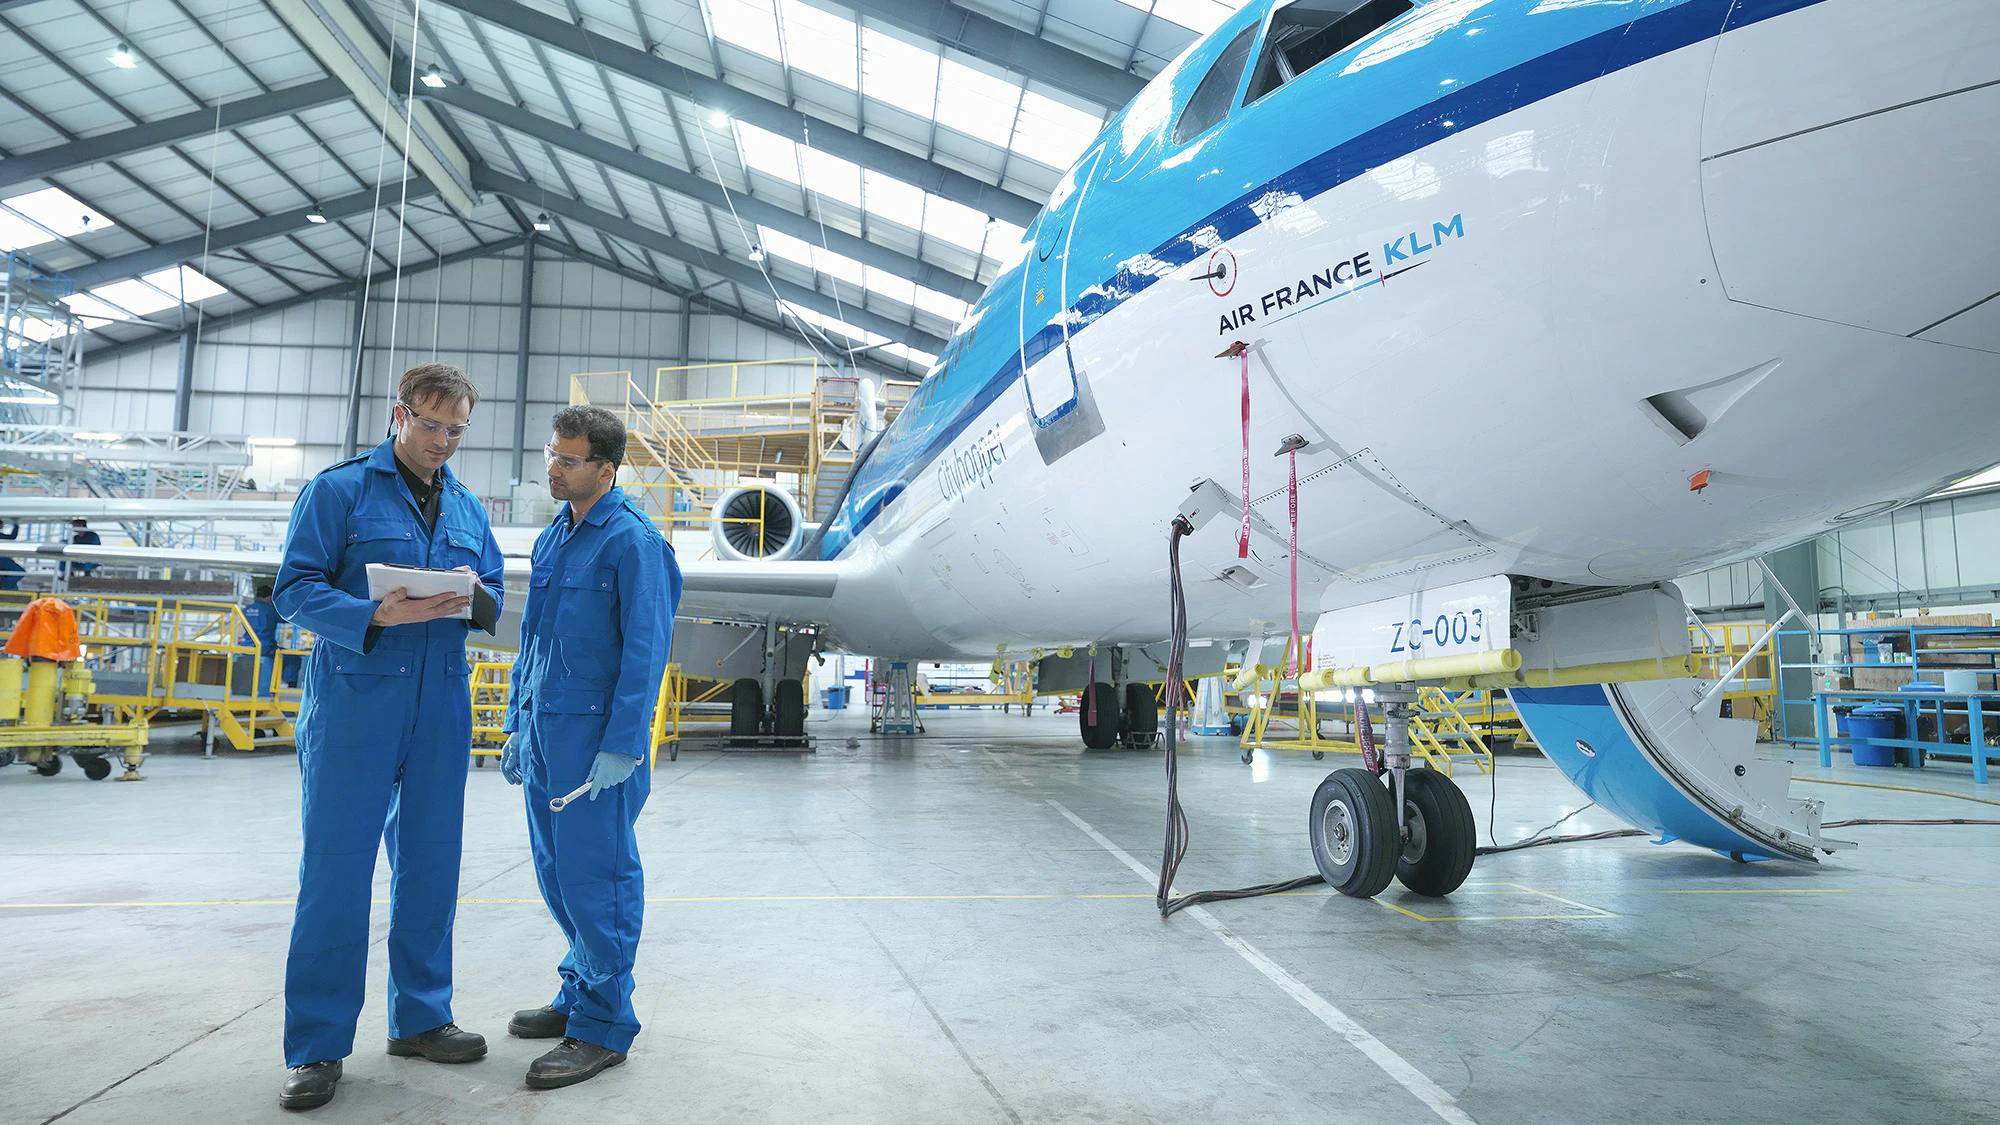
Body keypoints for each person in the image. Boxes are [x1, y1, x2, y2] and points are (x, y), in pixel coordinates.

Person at [271, 364, 505, 1111]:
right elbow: (295, 587)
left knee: (433, 865)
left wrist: (473, 593)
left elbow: (493, 592)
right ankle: (315, 1045)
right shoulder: (337, 491)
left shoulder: (468, 505)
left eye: (457, 430)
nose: (443, 441)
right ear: (397, 415)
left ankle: (422, 1016)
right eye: (431, 425)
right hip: (354, 705)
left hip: (440, 707)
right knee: (337, 874)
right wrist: (371, 615)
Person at [500, 405, 680, 1090]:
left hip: (596, 749)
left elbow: (646, 653)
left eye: (568, 459)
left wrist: (624, 745)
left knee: (595, 882)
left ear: (605, 469)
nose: (553, 466)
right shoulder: (557, 535)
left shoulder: (632, 542)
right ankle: (580, 985)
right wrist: (518, 720)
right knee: (556, 876)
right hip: (548, 734)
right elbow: (534, 639)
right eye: (552, 452)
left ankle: (603, 1024)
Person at [242, 583, 280, 696]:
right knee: (291, 659)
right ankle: (276, 690)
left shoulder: (246, 610)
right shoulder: (270, 610)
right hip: (265, 648)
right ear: (269, 597)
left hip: (247, 647)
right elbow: (288, 618)